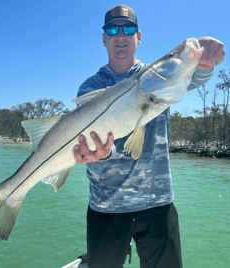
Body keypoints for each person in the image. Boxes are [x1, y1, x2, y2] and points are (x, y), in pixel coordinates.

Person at [72, 4, 225, 268]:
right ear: (104, 38)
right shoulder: (90, 87)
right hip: (106, 207)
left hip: (159, 204)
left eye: (128, 28)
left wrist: (207, 59)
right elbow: (89, 148)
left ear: (138, 37)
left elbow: (196, 75)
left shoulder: (161, 76)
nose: (121, 35)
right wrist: (99, 154)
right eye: (112, 29)